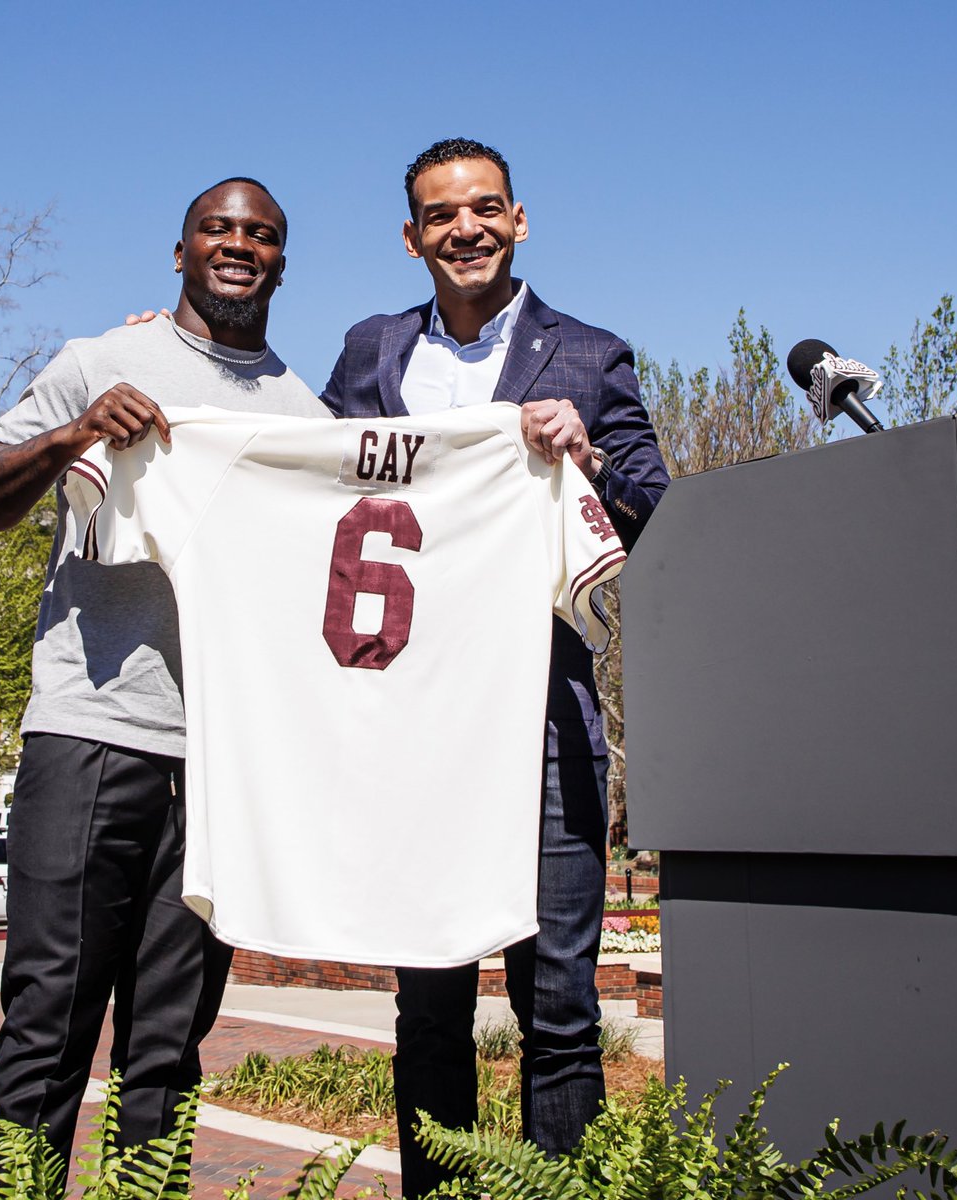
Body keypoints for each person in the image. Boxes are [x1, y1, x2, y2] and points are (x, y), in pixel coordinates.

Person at [0, 177, 327, 1182]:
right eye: (218, 229)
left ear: (282, 260)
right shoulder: (101, 361)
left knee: (166, 1048)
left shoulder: (302, 414)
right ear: (180, 251)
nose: (239, 245)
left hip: (218, 769)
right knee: (46, 1028)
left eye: (262, 235)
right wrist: (73, 436)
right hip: (90, 735)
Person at [320, 138, 670, 1197]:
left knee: (557, 1005)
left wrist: (591, 458)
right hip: (412, 732)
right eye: (439, 214)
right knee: (427, 1008)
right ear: (412, 236)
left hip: (544, 729)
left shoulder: (590, 356)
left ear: (520, 220)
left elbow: (656, 507)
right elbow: (309, 486)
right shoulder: (372, 353)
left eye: (484, 209)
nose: (463, 228)